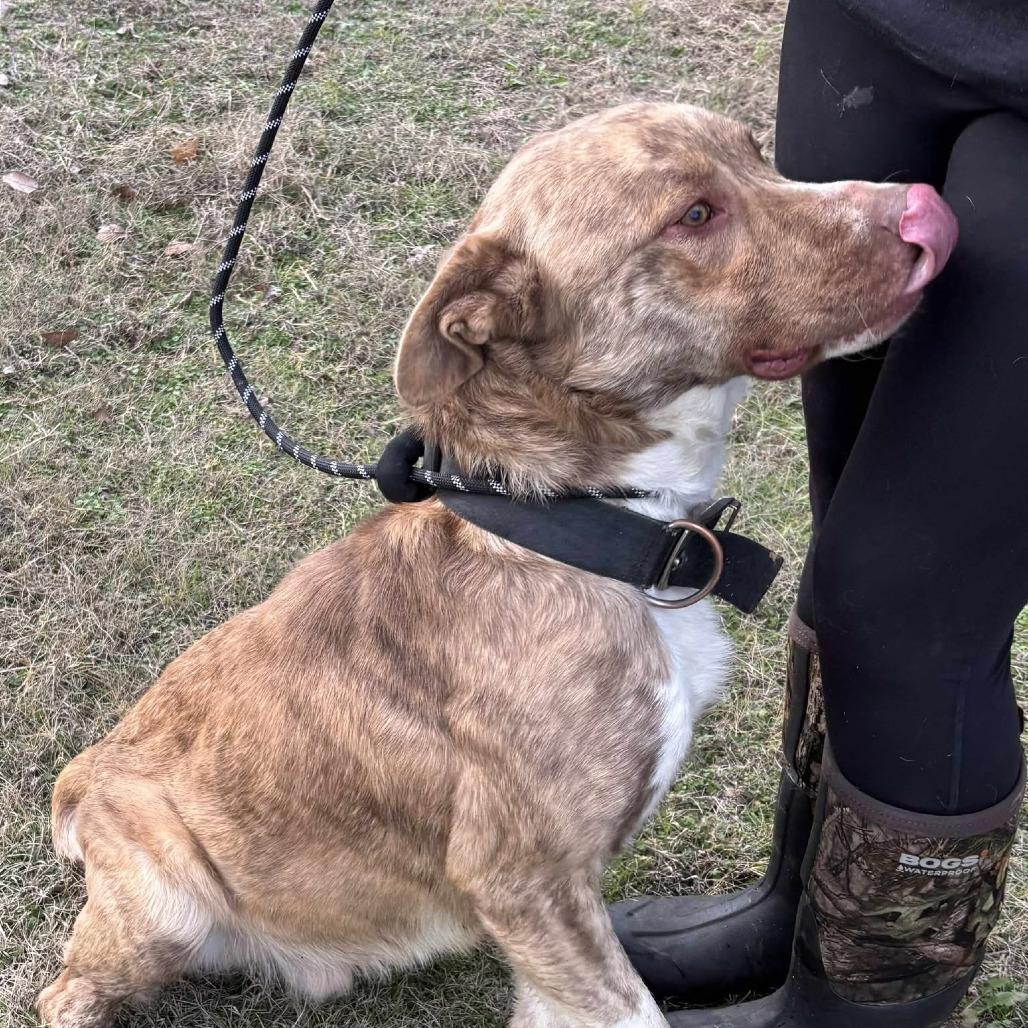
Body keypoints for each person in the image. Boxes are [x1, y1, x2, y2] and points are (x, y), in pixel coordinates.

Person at [612, 1, 1028, 1024]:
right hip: (888, 26)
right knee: (846, 513)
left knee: (904, 604)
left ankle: (861, 1008)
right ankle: (801, 911)